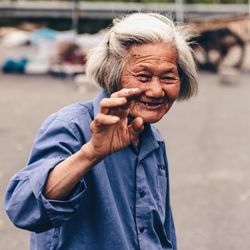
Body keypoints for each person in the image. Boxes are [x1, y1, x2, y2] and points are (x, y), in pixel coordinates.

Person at [4, 13, 198, 250]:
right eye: (143, 76)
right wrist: (91, 153)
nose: (157, 91)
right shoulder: (72, 125)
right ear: (110, 75)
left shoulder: (152, 138)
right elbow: (25, 210)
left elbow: (160, 230)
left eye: (168, 77)